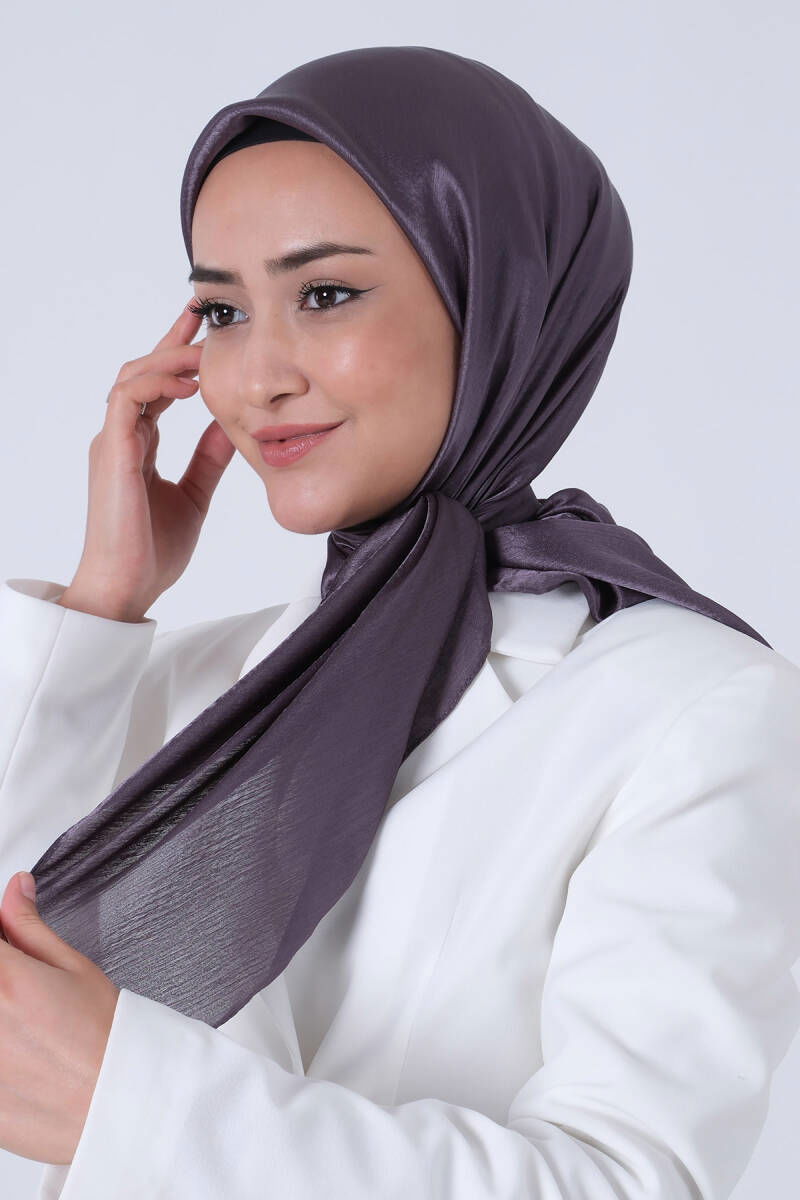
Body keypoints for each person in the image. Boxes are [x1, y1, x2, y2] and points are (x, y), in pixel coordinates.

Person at [1, 45, 799, 1200]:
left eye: (323, 294)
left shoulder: (694, 711)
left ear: (496, 301)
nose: (255, 376)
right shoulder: (195, 682)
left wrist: (128, 1105)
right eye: (221, 310)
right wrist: (103, 601)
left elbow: (628, 1186)